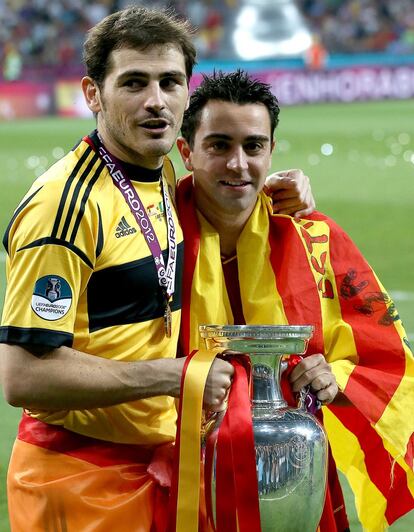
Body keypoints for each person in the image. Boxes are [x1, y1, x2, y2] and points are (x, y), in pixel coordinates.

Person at [0, 7, 315, 532]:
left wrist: (273, 186)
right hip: (78, 477)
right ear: (93, 94)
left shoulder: (156, 174)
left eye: (170, 82)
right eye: (134, 83)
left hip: (154, 465)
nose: (156, 100)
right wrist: (174, 376)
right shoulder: (64, 206)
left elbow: (216, 206)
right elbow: (22, 375)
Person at [175, 70, 414, 531]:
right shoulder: (153, 241)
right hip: (179, 481)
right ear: (187, 152)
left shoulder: (317, 239)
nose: (238, 164)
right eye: (219, 145)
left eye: (253, 146)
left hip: (293, 477)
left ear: (272, 152)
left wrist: (334, 375)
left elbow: (388, 354)